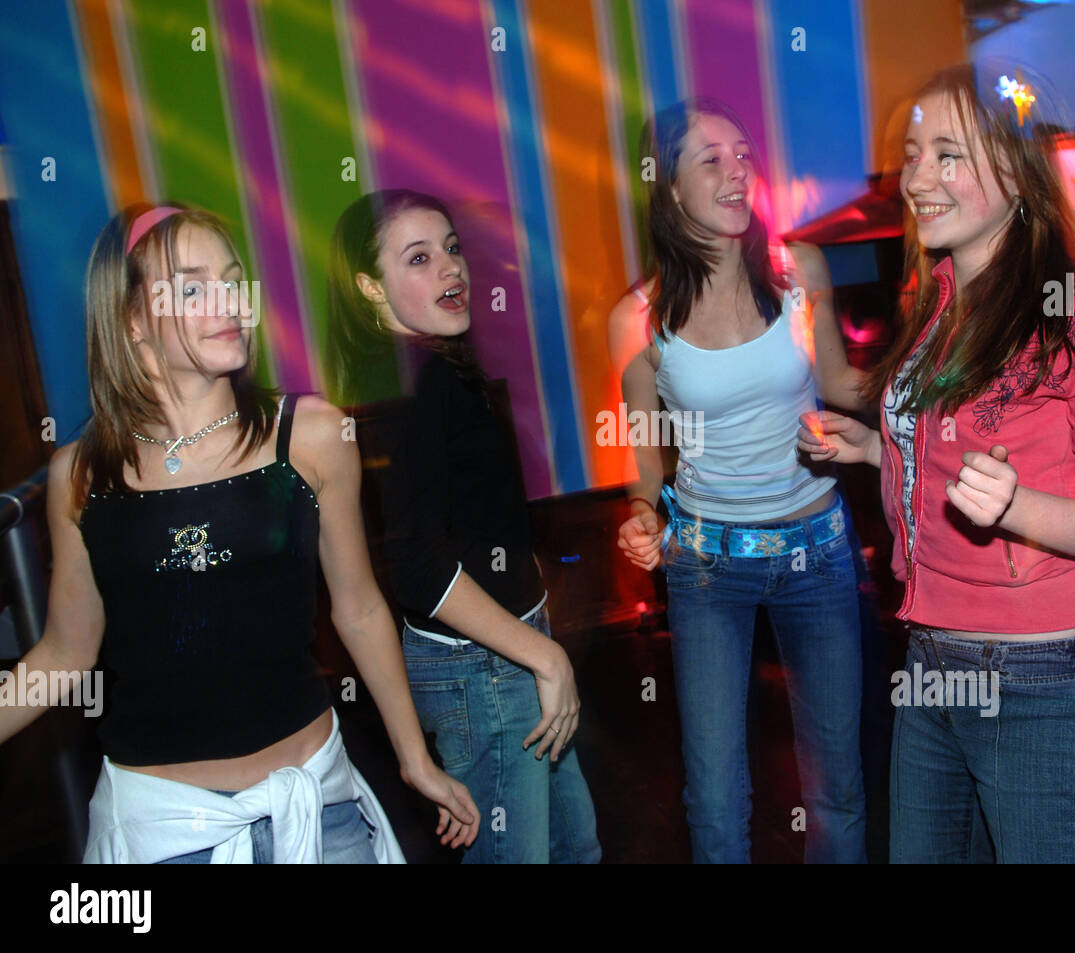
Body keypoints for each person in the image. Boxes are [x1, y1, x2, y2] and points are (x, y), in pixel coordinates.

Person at [0, 203, 480, 863]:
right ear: (132, 319)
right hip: (165, 834)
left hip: (317, 812)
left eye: (231, 280)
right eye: (191, 288)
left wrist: (414, 758)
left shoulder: (311, 435)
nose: (229, 301)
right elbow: (63, 654)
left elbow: (361, 609)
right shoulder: (83, 474)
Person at [799, 65, 1075, 862]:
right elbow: (954, 455)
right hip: (934, 660)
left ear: (1017, 169)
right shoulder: (934, 298)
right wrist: (878, 446)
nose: (917, 180)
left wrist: (1016, 507)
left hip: (1052, 681)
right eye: (912, 156)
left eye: (948, 155)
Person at [609, 97, 874, 864]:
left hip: (817, 548)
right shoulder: (640, 318)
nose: (737, 172)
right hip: (707, 564)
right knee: (717, 801)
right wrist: (641, 511)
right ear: (667, 186)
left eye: (744, 153)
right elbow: (645, 453)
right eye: (711, 159)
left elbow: (840, 383)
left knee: (837, 786)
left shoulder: (798, 269)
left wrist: (936, 373)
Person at [325, 189, 600, 864]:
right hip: (483, 670)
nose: (451, 267)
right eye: (418, 258)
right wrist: (543, 655)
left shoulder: (429, 368)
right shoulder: (409, 383)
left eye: (451, 249)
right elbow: (418, 569)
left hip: (505, 650)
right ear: (369, 287)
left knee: (575, 847)